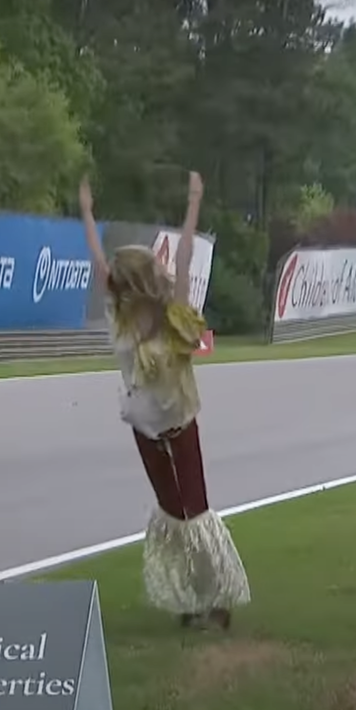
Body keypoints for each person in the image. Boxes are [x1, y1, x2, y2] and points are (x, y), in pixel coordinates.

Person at [77, 171, 251, 630]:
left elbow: (185, 256)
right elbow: (99, 263)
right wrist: (86, 213)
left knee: (196, 511)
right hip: (145, 427)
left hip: (177, 422)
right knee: (173, 514)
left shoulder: (173, 315)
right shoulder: (119, 316)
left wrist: (194, 204)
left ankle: (215, 595)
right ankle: (189, 598)